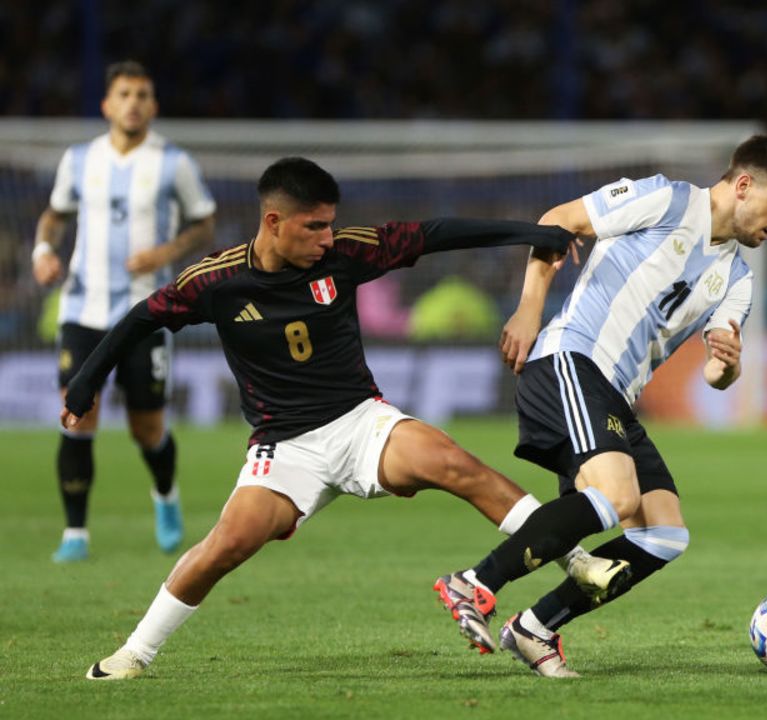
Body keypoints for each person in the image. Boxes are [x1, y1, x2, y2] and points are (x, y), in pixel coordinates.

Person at [68, 157, 616, 680]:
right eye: (315, 227)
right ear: (273, 222)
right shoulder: (217, 281)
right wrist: (88, 380)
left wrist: (528, 232)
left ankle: (574, 559)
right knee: (226, 545)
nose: (328, 238)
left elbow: (435, 233)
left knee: (453, 462)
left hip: (360, 423)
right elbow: (142, 317)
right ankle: (133, 653)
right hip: (285, 447)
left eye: (331, 225)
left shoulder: (345, 253)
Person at [434, 133, 767, 677]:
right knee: (617, 495)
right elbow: (560, 218)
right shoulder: (666, 200)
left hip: (615, 395)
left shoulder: (737, 277)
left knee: (663, 533)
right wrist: (528, 311)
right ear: (742, 185)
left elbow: (715, 373)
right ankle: (473, 584)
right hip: (573, 358)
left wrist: (727, 363)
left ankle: (534, 628)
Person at [32, 60, 217, 563]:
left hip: (146, 311)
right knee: (77, 414)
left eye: (142, 94)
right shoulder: (79, 159)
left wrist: (165, 254)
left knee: (146, 428)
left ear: (153, 106)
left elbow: (204, 224)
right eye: (124, 94)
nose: (133, 102)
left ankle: (165, 496)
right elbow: (54, 215)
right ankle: (75, 534)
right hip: (82, 307)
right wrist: (43, 251)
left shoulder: (173, 162)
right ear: (107, 105)